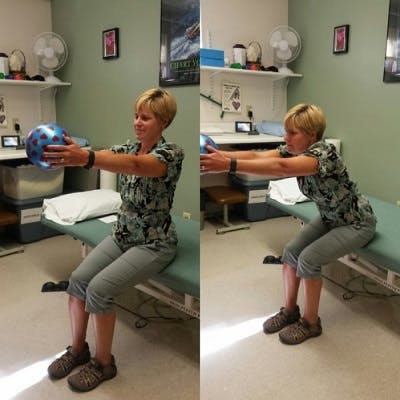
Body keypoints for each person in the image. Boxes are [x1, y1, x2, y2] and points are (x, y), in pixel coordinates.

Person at [43, 88, 184, 391]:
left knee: (99, 290)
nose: (137, 122)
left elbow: (135, 167)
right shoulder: (127, 148)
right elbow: (113, 157)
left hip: (154, 242)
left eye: (146, 117)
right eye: (136, 115)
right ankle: (78, 349)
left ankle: (104, 364)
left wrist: (86, 158)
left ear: (164, 121)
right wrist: (75, 155)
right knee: (78, 280)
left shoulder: (171, 154)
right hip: (123, 235)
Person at [200, 103, 376, 345]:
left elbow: (281, 169)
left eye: (293, 133)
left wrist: (229, 165)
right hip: (331, 217)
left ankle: (311, 323)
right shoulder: (295, 151)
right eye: (286, 132)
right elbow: (257, 156)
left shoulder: (324, 155)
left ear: (312, 134)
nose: (286, 138)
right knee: (291, 252)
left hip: (356, 222)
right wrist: (220, 155)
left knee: (309, 259)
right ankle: (290, 310)